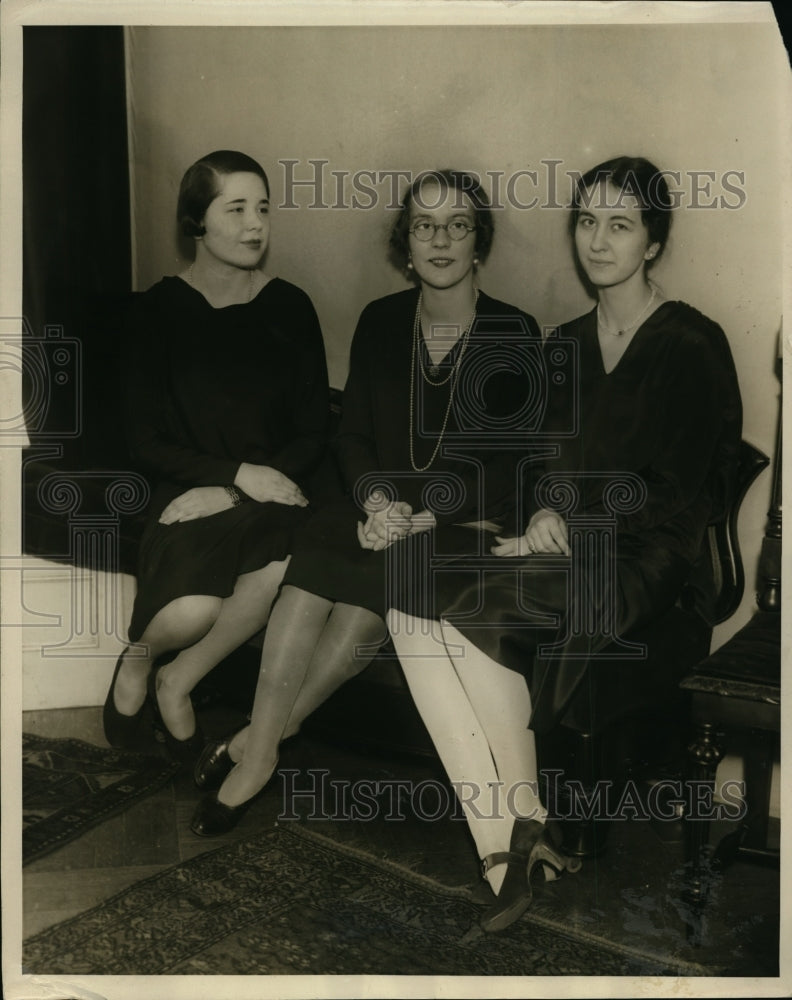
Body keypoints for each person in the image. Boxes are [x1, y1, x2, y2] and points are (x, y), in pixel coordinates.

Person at [387, 155, 743, 932]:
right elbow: (540, 465)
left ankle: (505, 850)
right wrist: (543, 513)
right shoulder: (564, 343)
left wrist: (572, 526)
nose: (599, 240)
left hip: (648, 567)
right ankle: (514, 830)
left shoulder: (692, 342)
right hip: (563, 552)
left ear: (653, 241)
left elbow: (679, 491)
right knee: (409, 602)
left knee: (468, 611)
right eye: (587, 221)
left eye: (620, 224)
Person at [189, 168, 541, 835]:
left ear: (479, 244)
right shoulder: (381, 322)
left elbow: (512, 465)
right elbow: (350, 433)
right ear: (405, 244)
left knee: (367, 602)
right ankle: (262, 751)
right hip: (374, 509)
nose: (440, 240)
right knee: (315, 568)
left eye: (458, 226)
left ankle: (255, 744)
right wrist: (378, 502)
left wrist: (423, 515)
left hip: (453, 521)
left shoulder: (513, 332)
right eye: (424, 226)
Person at [103, 150, 330, 762]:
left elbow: (314, 431)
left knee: (286, 559)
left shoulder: (290, 306)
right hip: (181, 487)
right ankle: (138, 664)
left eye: (262, 208)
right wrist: (228, 478)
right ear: (196, 221)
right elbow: (145, 441)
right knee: (193, 610)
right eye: (236, 209)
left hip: (273, 493)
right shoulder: (155, 312)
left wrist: (239, 487)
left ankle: (179, 682)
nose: (255, 223)